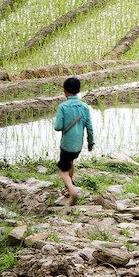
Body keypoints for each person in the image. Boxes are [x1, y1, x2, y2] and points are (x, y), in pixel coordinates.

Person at [53, 76, 94, 204]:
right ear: (78, 90)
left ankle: (72, 191)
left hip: (67, 145)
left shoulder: (63, 107)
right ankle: (67, 189)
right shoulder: (85, 107)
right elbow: (90, 127)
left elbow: (57, 127)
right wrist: (90, 143)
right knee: (70, 163)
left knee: (62, 169)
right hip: (78, 146)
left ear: (65, 91)